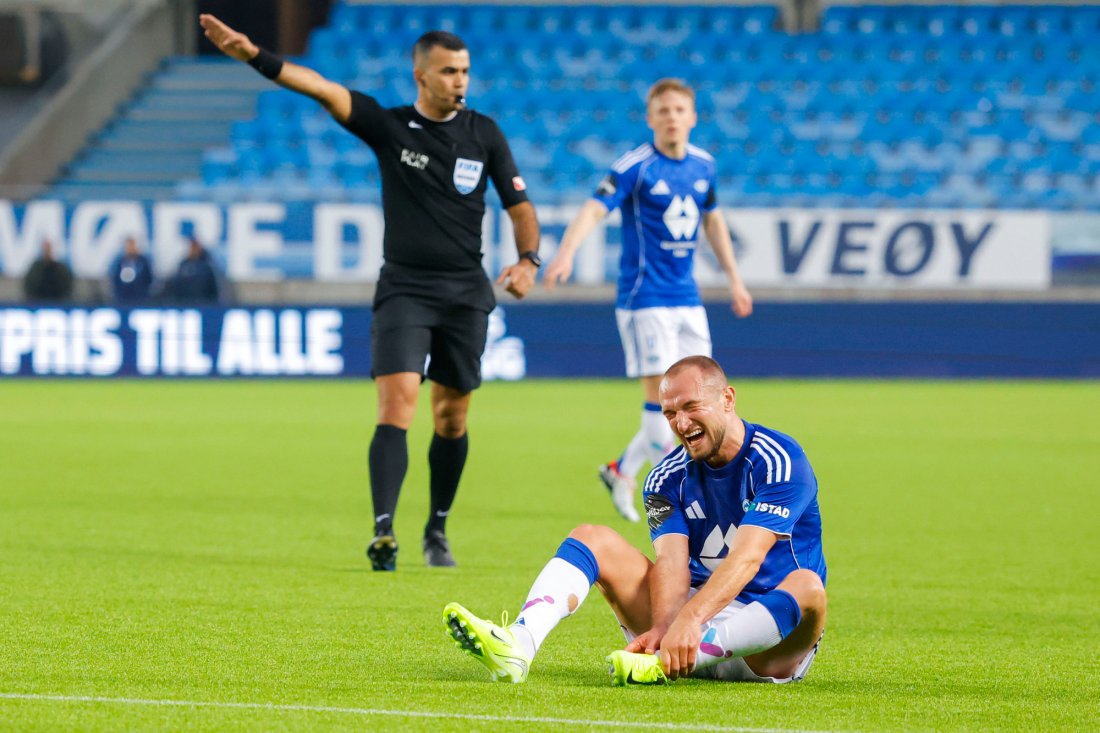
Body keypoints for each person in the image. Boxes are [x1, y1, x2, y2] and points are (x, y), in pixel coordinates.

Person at [200, 16, 541, 571]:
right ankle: (384, 532)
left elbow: (520, 206)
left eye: (465, 72)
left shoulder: (485, 134)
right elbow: (323, 89)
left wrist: (528, 260)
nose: (460, 81)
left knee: (451, 418)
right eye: (449, 71)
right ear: (420, 75)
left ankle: (437, 529)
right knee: (397, 404)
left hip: (464, 293)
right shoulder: (390, 127)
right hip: (405, 288)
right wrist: (254, 55)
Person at [444, 355, 826, 685]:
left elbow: (747, 558)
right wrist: (663, 626)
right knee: (592, 536)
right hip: (684, 626)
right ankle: (519, 645)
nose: (680, 423)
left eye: (691, 406)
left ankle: (670, 661)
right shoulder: (664, 477)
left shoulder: (779, 461)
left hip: (766, 641)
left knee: (808, 587)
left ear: (727, 399)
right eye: (670, 413)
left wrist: (690, 621)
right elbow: (672, 562)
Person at [544, 79, 753, 524]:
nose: (672, 117)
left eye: (679, 110)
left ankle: (622, 470)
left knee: (700, 397)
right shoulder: (635, 167)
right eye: (663, 111)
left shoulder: (704, 166)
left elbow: (714, 222)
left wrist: (735, 279)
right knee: (664, 403)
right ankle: (678, 497)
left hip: (687, 298)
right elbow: (593, 209)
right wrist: (567, 250)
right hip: (645, 300)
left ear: (692, 117)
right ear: (650, 118)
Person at [169, 236, 220, 303]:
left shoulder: (206, 266)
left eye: (195, 247)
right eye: (192, 247)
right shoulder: (183, 265)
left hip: (203, 302)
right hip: (184, 303)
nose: (193, 250)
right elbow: (177, 286)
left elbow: (213, 288)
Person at [108, 236, 154, 303]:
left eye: (133, 245)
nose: (131, 248)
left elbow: (149, 278)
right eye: (128, 246)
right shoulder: (119, 262)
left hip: (141, 297)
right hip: (122, 297)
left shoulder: (144, 261)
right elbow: (114, 278)